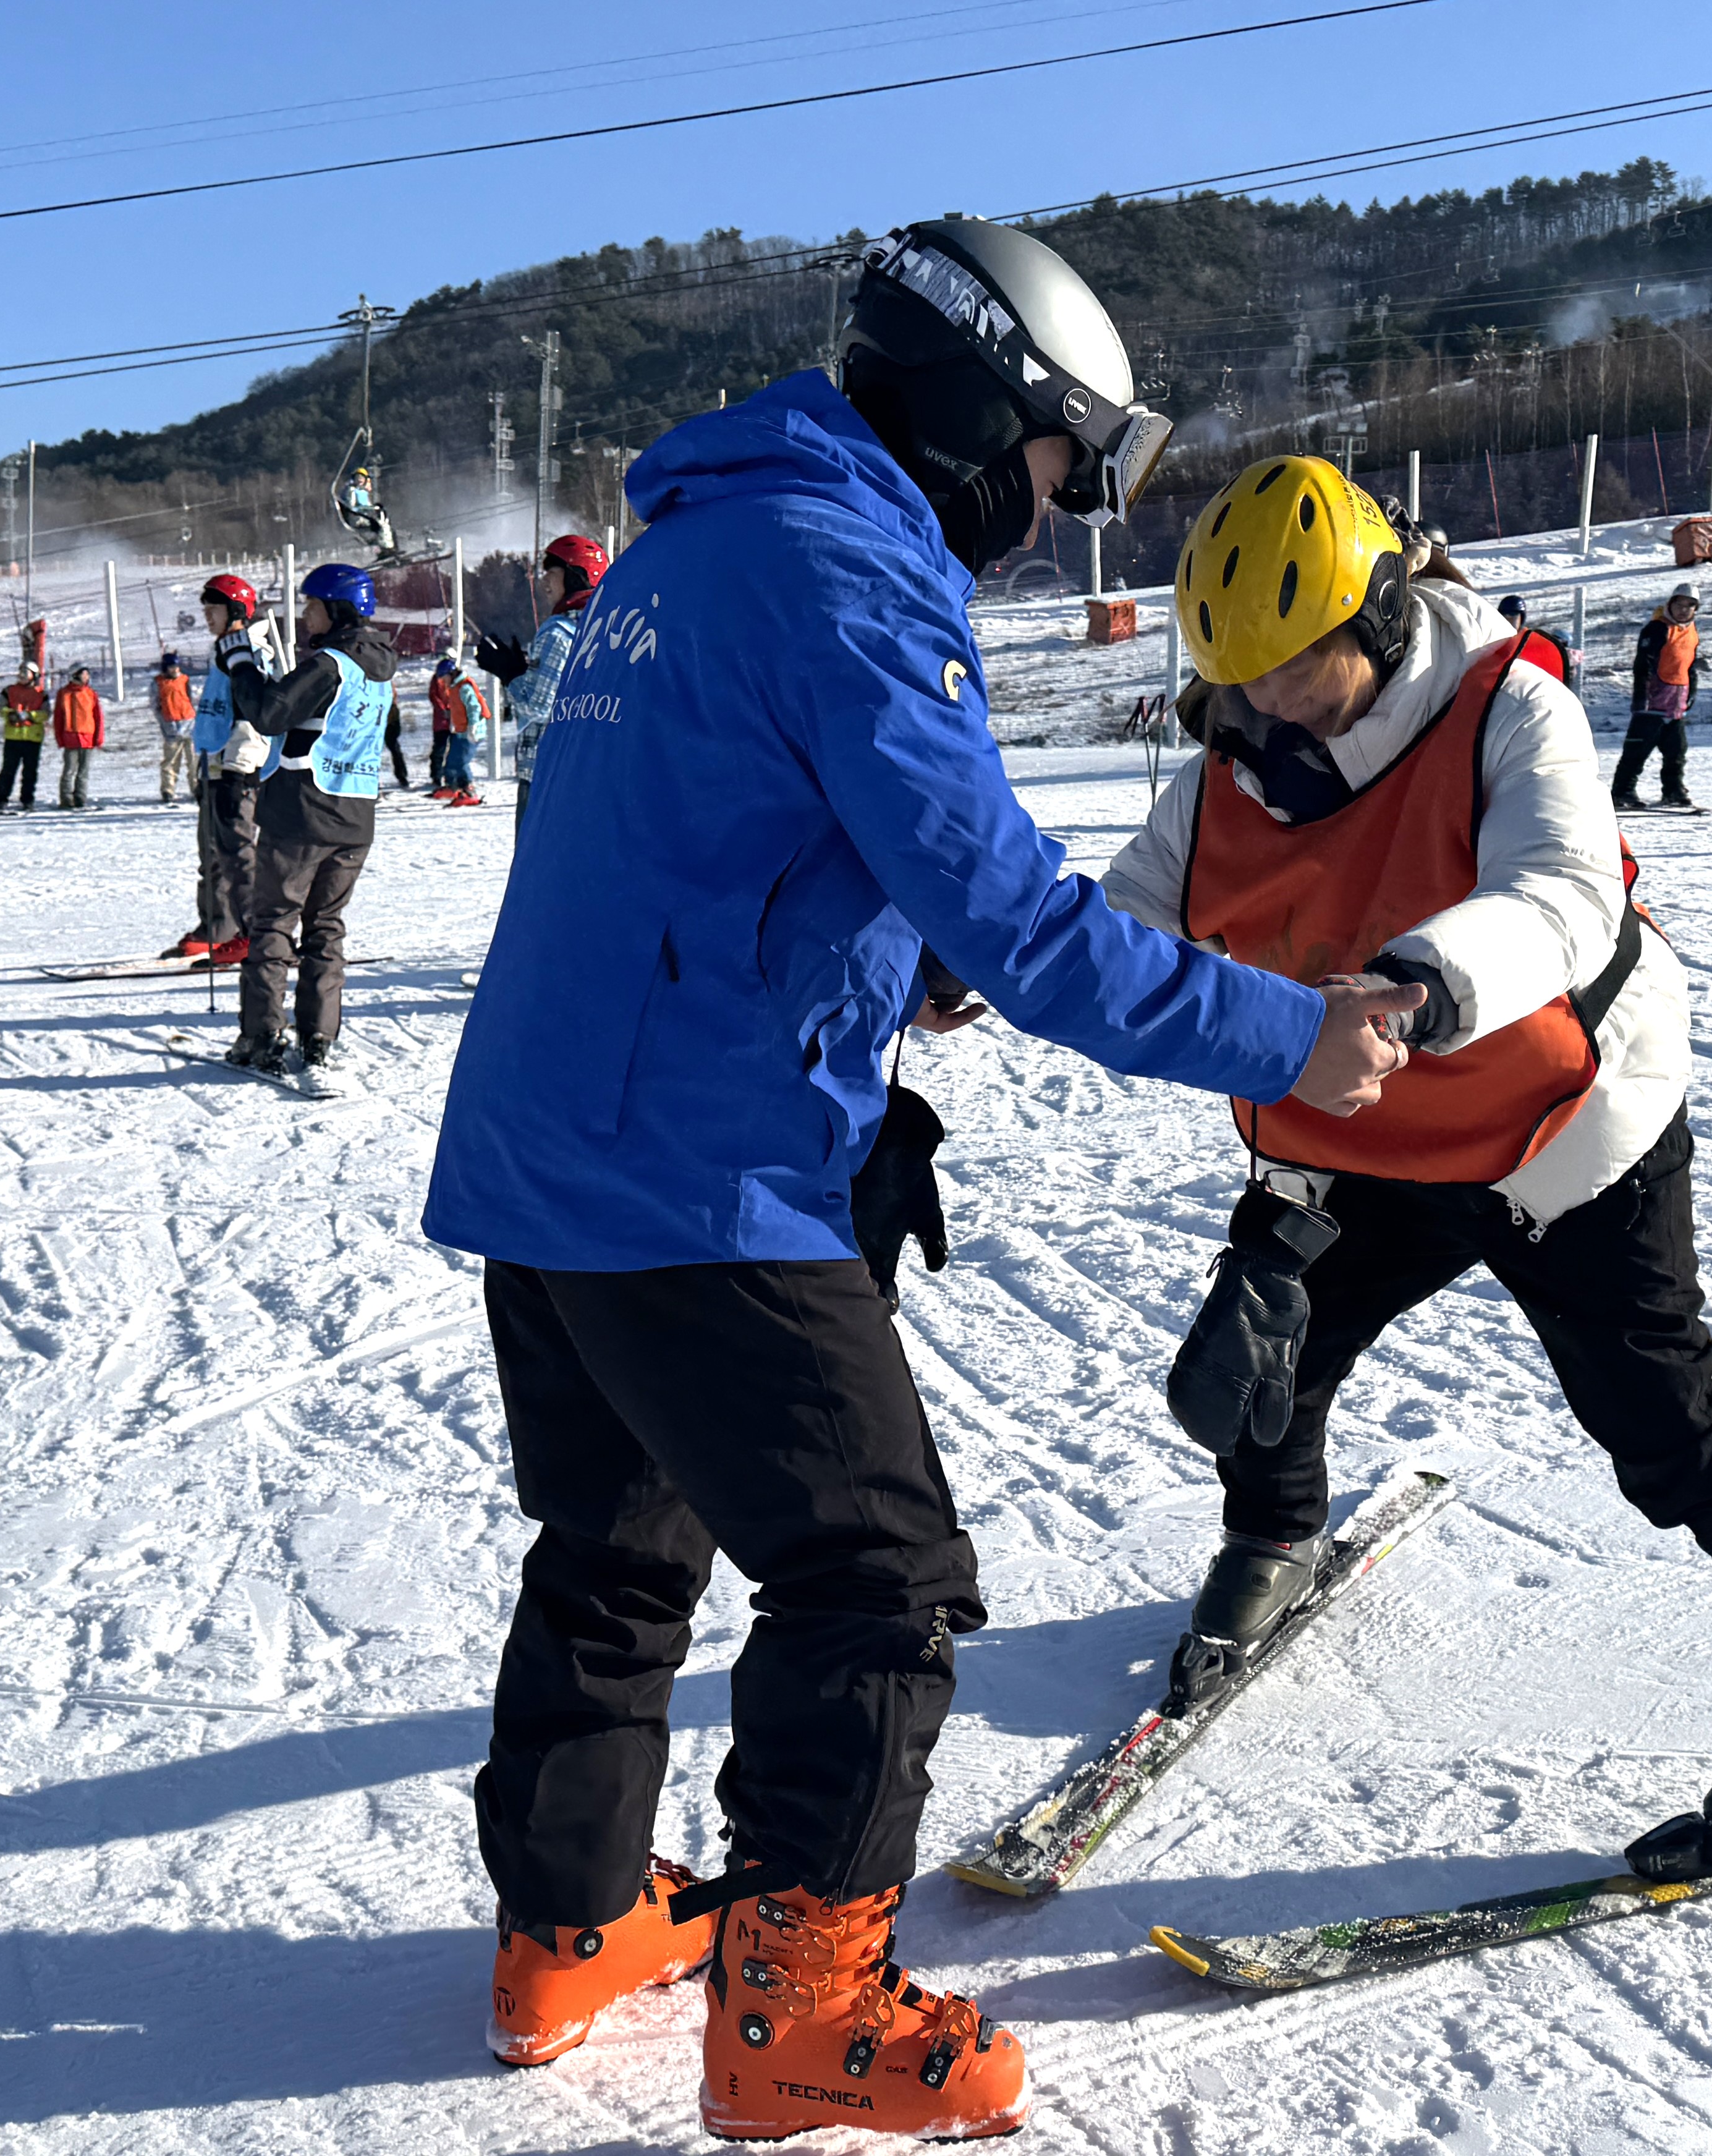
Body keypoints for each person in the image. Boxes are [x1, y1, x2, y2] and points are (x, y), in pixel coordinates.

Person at [419, 216, 1410, 2144]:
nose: (1050, 512)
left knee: (618, 1542)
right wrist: (1290, 1036)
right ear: (975, 416)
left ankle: (568, 1924)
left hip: (553, 1149)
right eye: (1059, 462)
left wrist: (889, 955)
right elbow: (1031, 930)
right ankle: (800, 2006)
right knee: (874, 1577)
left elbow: (715, 836)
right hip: (697, 1174)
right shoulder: (847, 572)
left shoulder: (693, 545)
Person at [1107, 452, 1712, 1884]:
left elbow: (1562, 895)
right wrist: (979, 965)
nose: (1266, 708)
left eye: (1296, 670)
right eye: (1237, 683)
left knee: (1664, 1426)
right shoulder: (1228, 769)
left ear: (1379, 618)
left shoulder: (1507, 706)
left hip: (1559, 1135)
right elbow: (1136, 912)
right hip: (1368, 1136)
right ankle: (1276, 1534)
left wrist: (1415, 988)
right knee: (1259, 1357)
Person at [214, 563, 393, 1073]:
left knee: (273, 924)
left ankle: (261, 1037)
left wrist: (241, 666)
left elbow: (269, 714)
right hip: (355, 816)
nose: (305, 614)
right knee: (326, 929)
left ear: (337, 610)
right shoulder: (380, 666)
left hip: (302, 815)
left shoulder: (331, 662)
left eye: (312, 605)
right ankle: (318, 1036)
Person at [171, 575, 278, 962]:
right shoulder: (222, 652)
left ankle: (256, 933)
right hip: (214, 768)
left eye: (213, 609)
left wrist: (239, 769)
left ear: (235, 611)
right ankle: (217, 928)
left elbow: (254, 716)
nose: (207, 616)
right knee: (213, 857)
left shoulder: (250, 653)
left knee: (238, 855)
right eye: (205, 609)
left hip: (236, 771)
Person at [476, 533, 607, 834]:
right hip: (587, 770)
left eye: (551, 572)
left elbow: (537, 706)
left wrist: (510, 675)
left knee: (533, 859)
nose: (543, 581)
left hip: (544, 772)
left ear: (576, 576)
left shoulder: (558, 632)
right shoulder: (606, 631)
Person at [1612, 583, 1700, 810]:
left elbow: (1690, 665)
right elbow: (1643, 664)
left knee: (1676, 751)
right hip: (1653, 701)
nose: (1684, 610)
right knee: (1638, 749)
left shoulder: (1691, 632)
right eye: (1679, 605)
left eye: (1690, 606)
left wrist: (1691, 692)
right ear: (1670, 604)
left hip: (1676, 703)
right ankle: (1622, 792)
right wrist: (1641, 695)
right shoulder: (1657, 629)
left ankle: (1673, 790)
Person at [428, 654, 487, 805]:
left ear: (451, 674)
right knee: (452, 760)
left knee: (461, 762)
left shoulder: (464, 687)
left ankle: (469, 791)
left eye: (444, 678)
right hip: (461, 730)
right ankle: (453, 786)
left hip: (472, 732)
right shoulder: (455, 687)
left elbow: (474, 708)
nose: (443, 682)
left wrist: (473, 726)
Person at [0, 661, 48, 812]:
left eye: (27, 673)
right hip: (14, 737)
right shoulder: (9, 691)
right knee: (8, 770)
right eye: (21, 672)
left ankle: (27, 800)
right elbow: (1, 708)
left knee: (30, 772)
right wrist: (10, 714)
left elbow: (45, 713)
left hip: (33, 738)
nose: (23, 675)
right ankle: (1, 799)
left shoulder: (41, 694)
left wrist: (31, 716)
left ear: (34, 675)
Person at [53, 663, 106, 810]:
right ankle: (66, 798)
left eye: (87, 674)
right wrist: (60, 738)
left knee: (83, 771)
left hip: (88, 738)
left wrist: (99, 738)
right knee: (69, 770)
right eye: (84, 674)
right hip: (70, 738)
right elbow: (58, 718)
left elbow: (98, 717)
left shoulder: (91, 694)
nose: (87, 677)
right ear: (75, 675)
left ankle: (80, 797)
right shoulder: (64, 693)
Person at [152, 653, 197, 804]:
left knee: (193, 761)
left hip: (189, 723)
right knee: (171, 761)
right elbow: (155, 704)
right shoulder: (158, 683)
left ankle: (196, 788)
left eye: (176, 666)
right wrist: (164, 721)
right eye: (172, 667)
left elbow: (190, 698)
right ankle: (168, 789)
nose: (175, 669)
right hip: (171, 726)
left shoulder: (184, 680)